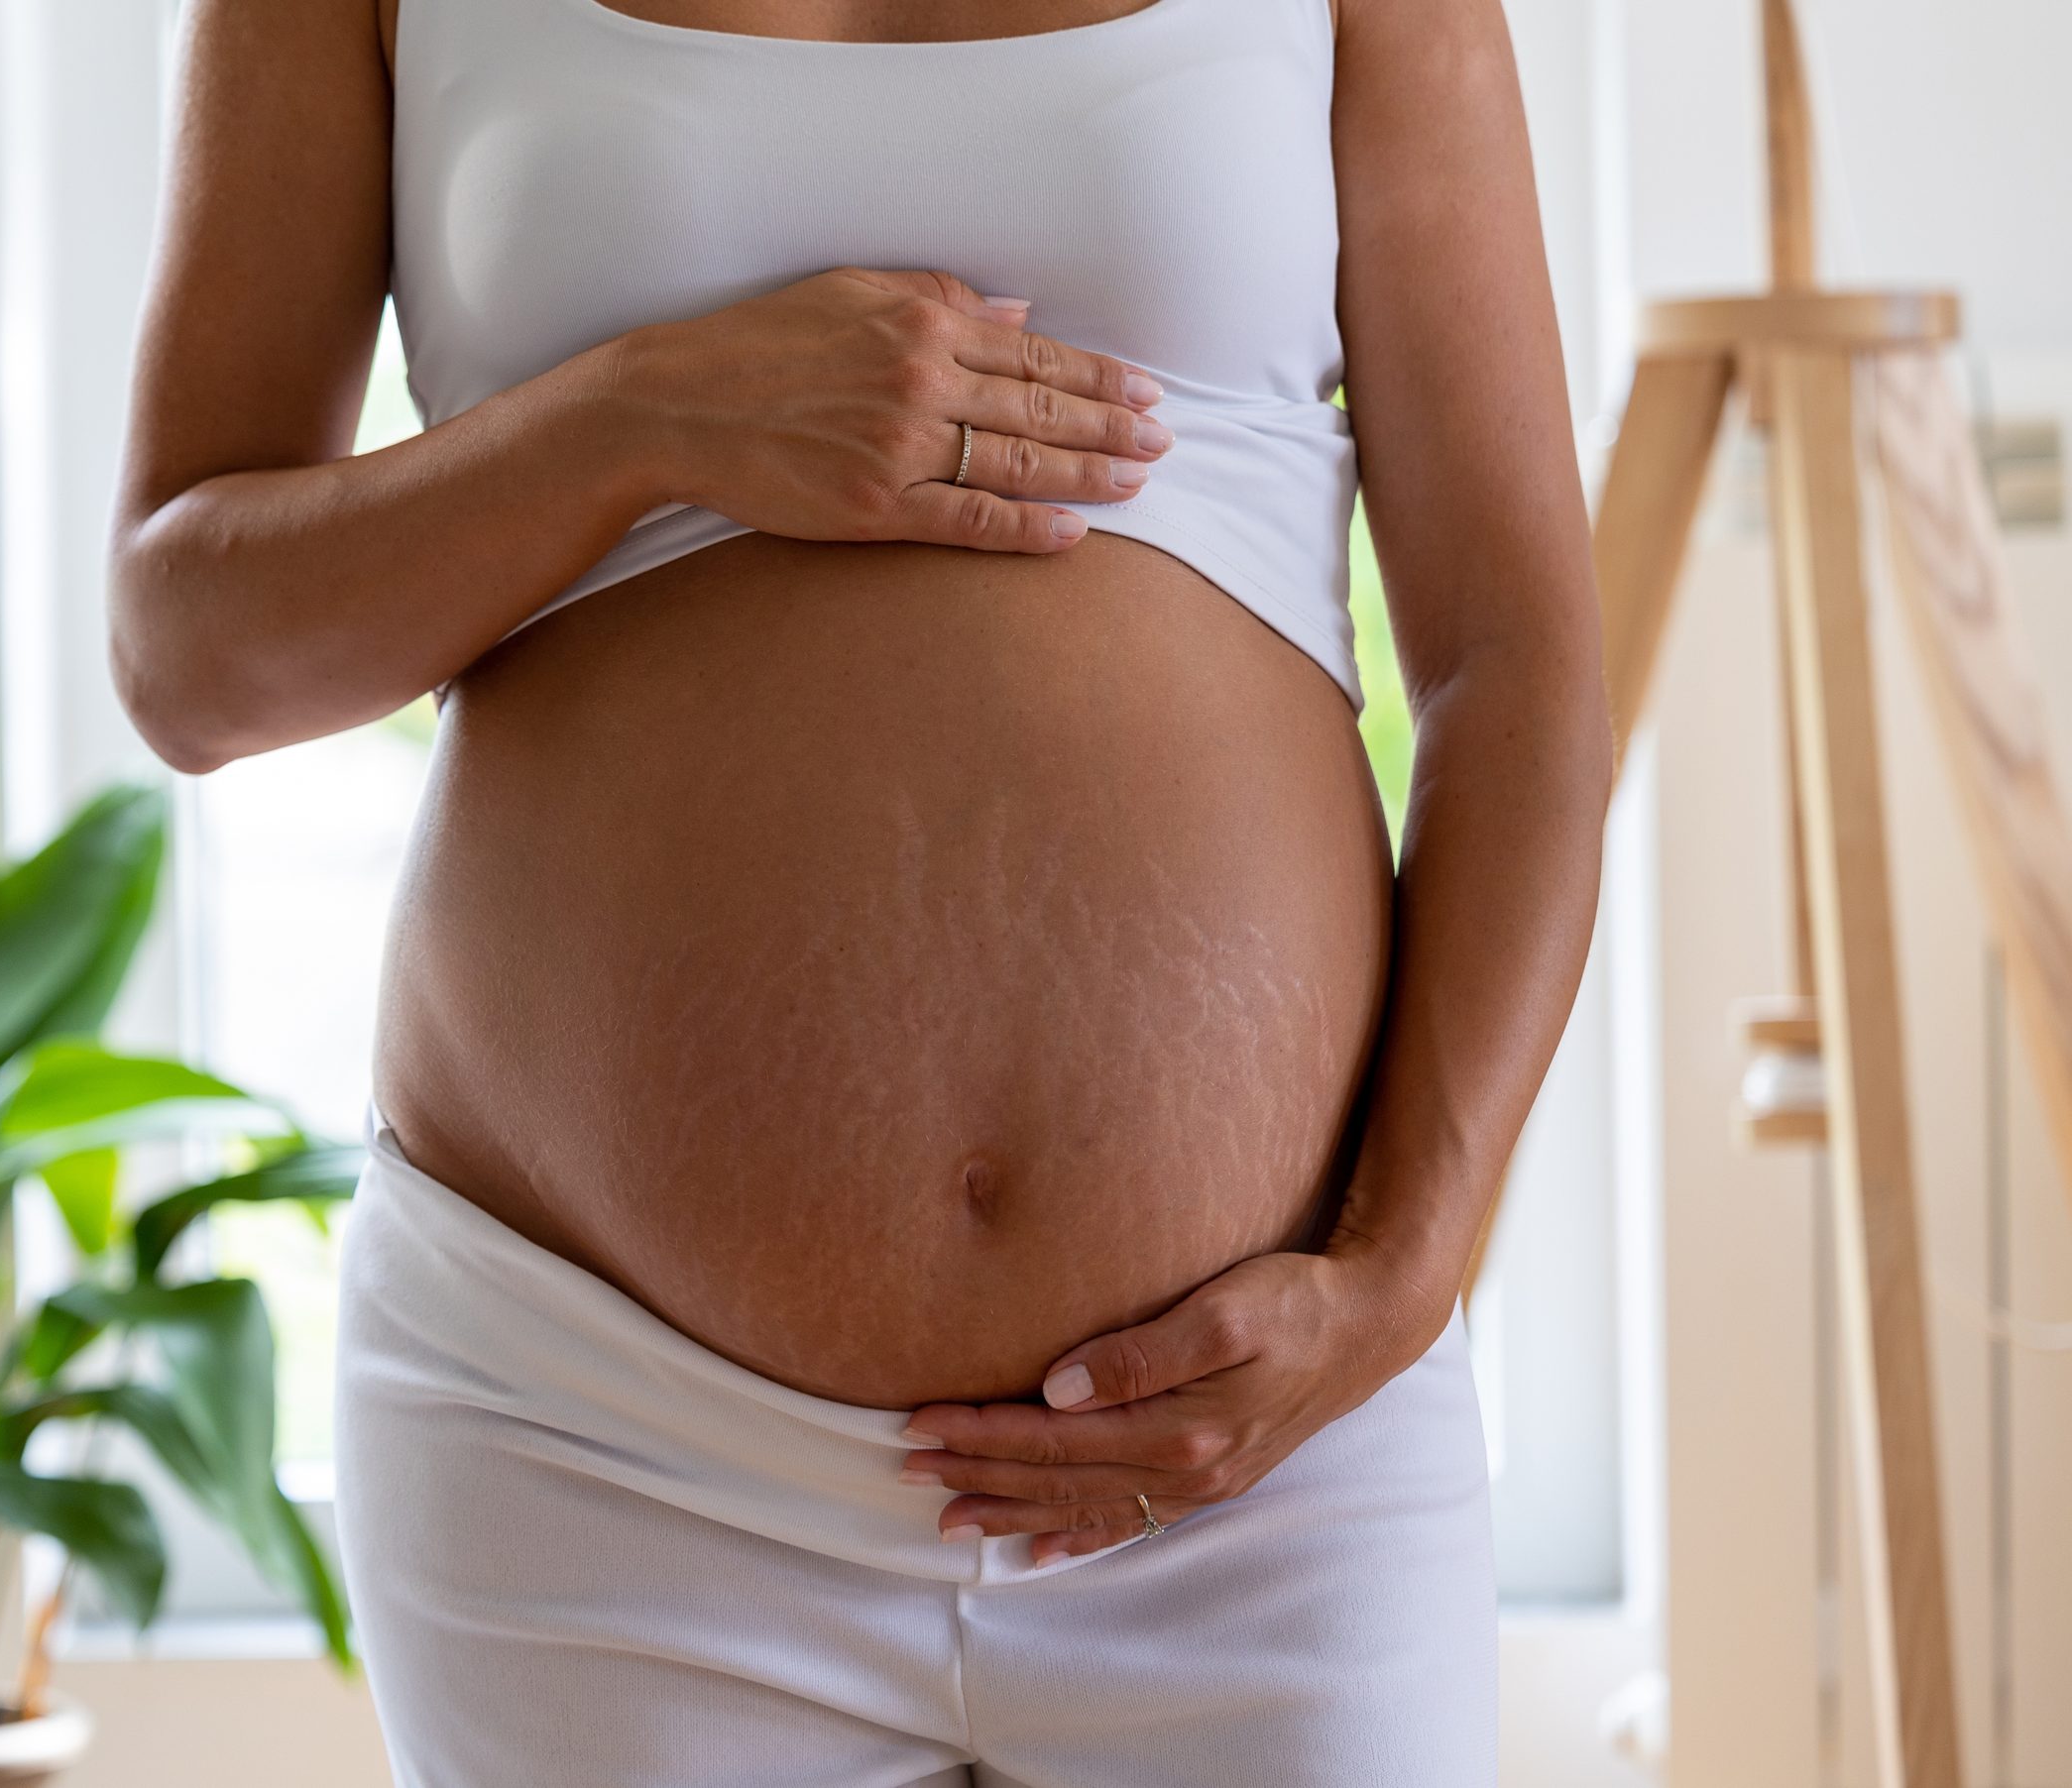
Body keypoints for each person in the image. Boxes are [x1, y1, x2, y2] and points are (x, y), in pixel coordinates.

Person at [107, 0, 1612, 1775]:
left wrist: (1397, 1273)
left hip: (1255, 1459)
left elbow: (1511, 662)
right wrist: (634, 419)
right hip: (596, 1438)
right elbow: (188, 647)